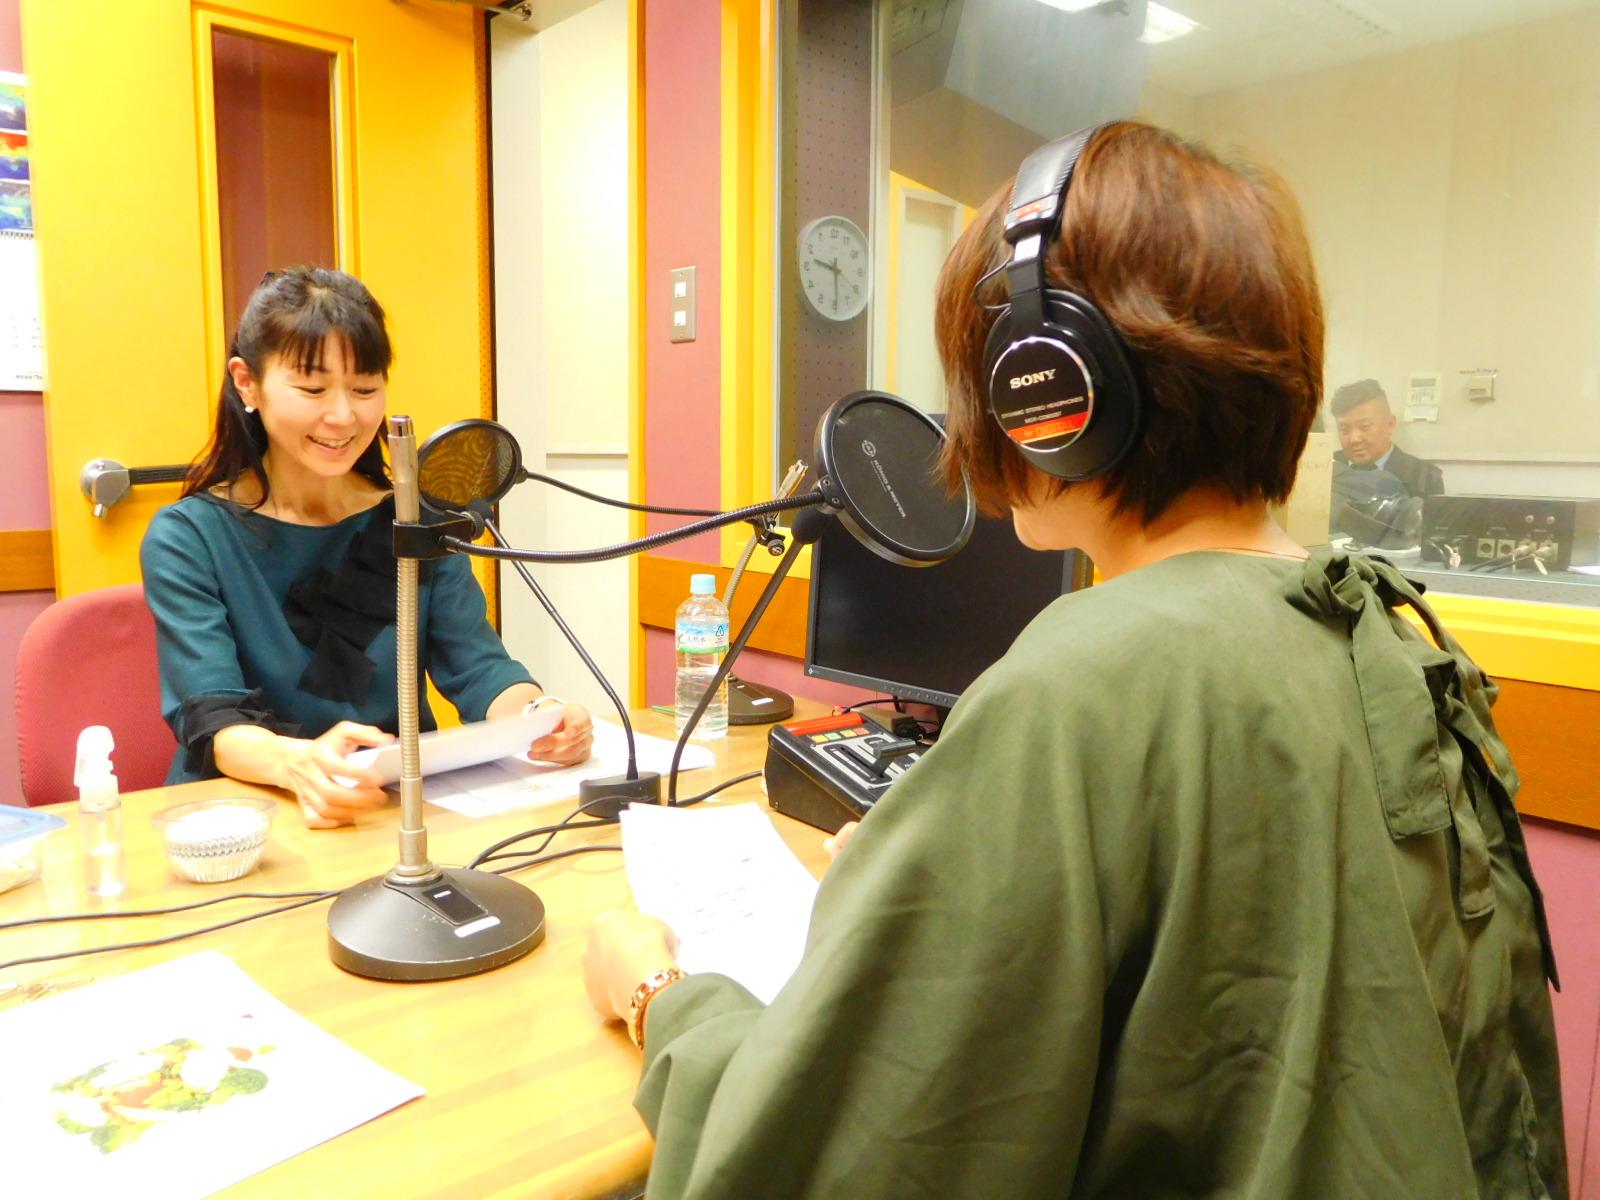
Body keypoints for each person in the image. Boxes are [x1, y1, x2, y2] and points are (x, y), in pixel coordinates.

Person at [584, 123, 1565, 1198]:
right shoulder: (1390, 634)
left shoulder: (1088, 683)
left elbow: (816, 1163)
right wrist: (939, 869)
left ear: (1043, 389)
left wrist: (660, 996)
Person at [141, 268, 592, 828]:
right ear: (247, 382)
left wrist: (542, 717)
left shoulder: (414, 520)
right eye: (312, 389)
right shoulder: (189, 536)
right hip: (246, 817)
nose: (343, 416)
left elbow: (480, 669)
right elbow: (213, 715)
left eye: (364, 389)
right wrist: (294, 763)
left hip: (390, 808)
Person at [1331, 378, 1445, 498]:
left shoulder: (1424, 477)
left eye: (1364, 427)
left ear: (1390, 424)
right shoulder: (1325, 466)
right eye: (1344, 429)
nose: (1354, 439)